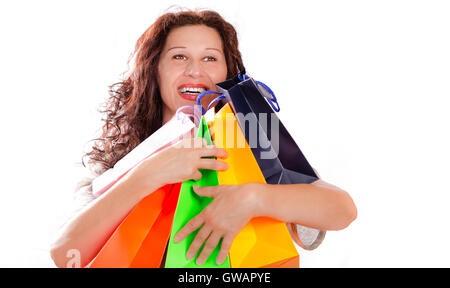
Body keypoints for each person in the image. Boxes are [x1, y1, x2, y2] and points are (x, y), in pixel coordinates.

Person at [50, 8, 357, 268]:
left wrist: (252, 198)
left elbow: (341, 209)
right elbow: (67, 254)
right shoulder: (117, 158)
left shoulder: (250, 136)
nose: (195, 71)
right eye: (179, 56)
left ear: (228, 70)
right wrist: (146, 174)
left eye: (210, 58)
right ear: (154, 70)